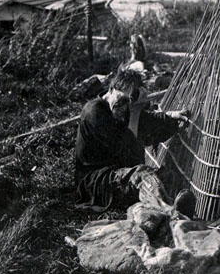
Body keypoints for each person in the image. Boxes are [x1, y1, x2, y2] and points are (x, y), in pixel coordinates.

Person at [74, 69, 194, 215]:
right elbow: (128, 150)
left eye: (129, 103)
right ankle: (170, 213)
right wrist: (135, 110)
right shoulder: (95, 112)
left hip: (119, 176)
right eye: (122, 100)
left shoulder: (121, 109)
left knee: (169, 177)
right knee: (143, 175)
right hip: (97, 182)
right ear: (111, 89)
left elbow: (148, 121)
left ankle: (165, 206)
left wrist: (171, 115)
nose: (124, 108)